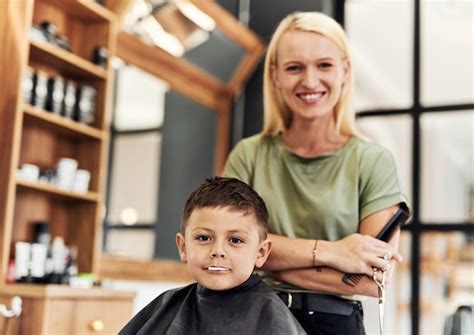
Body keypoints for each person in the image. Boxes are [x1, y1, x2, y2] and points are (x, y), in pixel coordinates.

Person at [222, 11, 410, 335]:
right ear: (276, 75)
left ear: (345, 71)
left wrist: (263, 259)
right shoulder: (248, 155)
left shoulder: (374, 162)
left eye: (324, 65)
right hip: (251, 321)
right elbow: (227, 247)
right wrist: (334, 253)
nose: (310, 82)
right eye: (295, 67)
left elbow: (372, 281)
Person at [119, 177, 306, 335]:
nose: (218, 250)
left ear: (261, 252)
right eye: (203, 238)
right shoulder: (165, 306)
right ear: (183, 247)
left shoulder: (273, 319)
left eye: (235, 240)